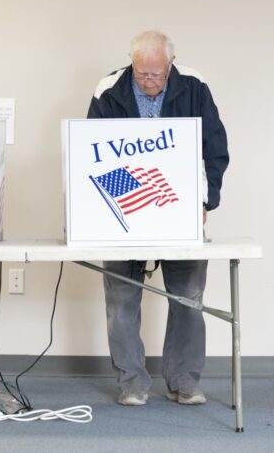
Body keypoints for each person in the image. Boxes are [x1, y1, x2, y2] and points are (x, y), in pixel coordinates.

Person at [86, 30, 229, 406]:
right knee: (121, 298)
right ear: (131, 63)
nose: (149, 83)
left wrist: (204, 202)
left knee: (187, 298)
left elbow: (215, 150)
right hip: (125, 210)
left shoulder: (195, 86)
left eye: (156, 75)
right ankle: (131, 383)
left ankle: (184, 381)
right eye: (142, 75)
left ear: (171, 64)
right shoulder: (108, 89)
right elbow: (88, 153)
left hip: (180, 208)